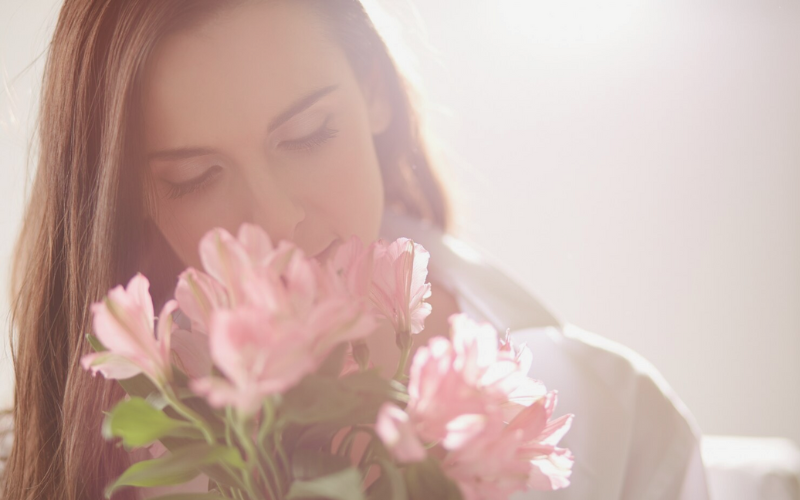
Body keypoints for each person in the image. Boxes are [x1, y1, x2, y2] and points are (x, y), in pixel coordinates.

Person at [0, 1, 709, 499]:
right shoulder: (75, 446)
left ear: (373, 89)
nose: (276, 221)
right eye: (195, 178)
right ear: (130, 199)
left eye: (308, 135)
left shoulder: (613, 416)